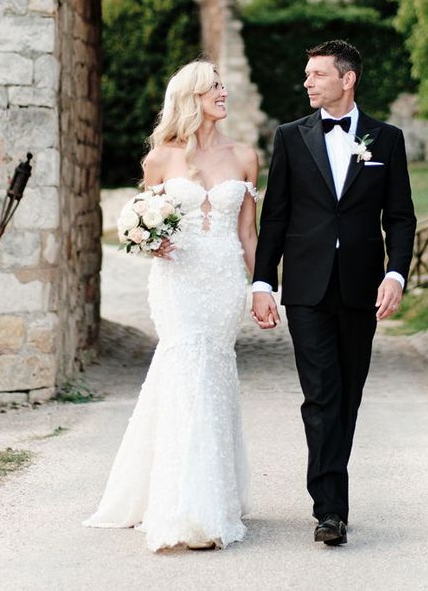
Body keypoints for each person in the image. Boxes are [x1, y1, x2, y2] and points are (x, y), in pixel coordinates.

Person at [84, 60, 259, 552]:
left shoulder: (245, 156)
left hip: (224, 280)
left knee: (213, 374)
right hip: (177, 281)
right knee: (186, 370)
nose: (224, 93)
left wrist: (265, 287)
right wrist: (148, 243)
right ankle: (186, 507)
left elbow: (248, 231)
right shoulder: (160, 160)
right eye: (215, 87)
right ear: (191, 97)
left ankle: (213, 495)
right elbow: (143, 221)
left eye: (224, 85)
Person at [251, 39, 416, 546]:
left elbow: (401, 216)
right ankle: (330, 509)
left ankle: (332, 495)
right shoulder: (290, 137)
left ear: (347, 79)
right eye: (306, 73)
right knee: (321, 394)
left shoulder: (385, 139)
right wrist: (262, 281)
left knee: (348, 395)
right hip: (305, 287)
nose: (307, 82)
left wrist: (396, 275)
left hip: (361, 288)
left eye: (317, 74)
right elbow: (274, 214)